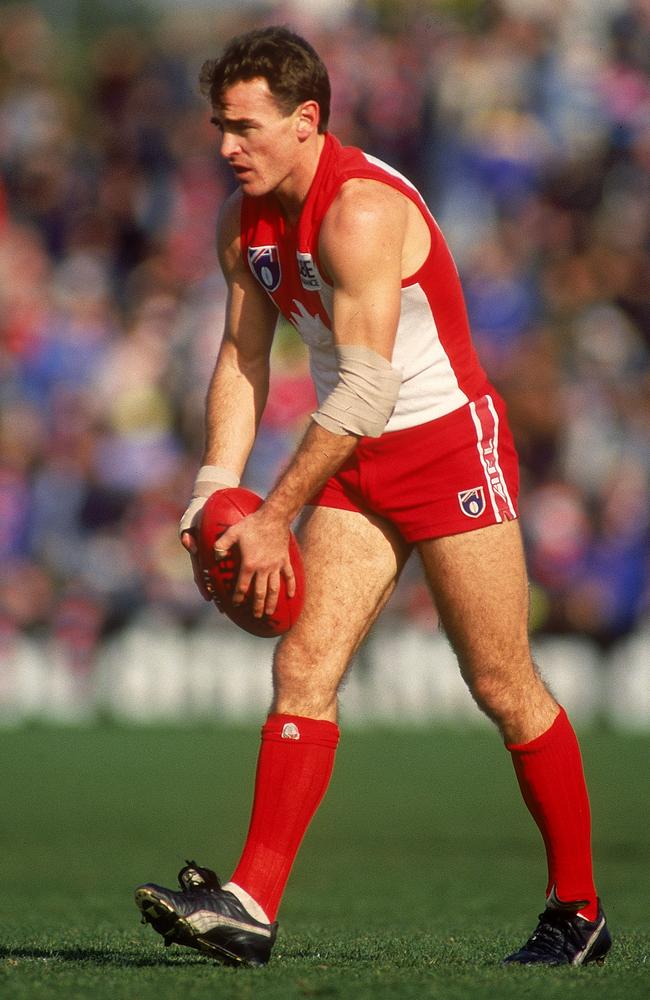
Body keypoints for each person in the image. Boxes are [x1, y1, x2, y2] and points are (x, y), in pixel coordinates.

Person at [134, 26, 611, 969]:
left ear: (306, 120)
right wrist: (213, 487)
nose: (226, 145)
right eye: (218, 126)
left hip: (441, 448)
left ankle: (580, 912)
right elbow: (241, 358)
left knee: (502, 686)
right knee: (304, 672)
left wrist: (273, 519)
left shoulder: (358, 211)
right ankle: (251, 905)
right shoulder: (246, 220)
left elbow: (369, 390)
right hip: (351, 456)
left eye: (244, 126)